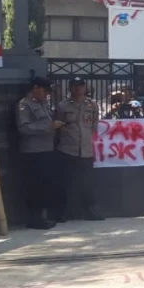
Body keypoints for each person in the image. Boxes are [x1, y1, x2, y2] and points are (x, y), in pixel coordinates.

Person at [53, 77, 104, 222]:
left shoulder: (92, 105)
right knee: (65, 183)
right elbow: (58, 126)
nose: (78, 89)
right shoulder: (62, 106)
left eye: (80, 86)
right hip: (67, 149)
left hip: (86, 150)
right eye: (75, 86)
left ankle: (90, 210)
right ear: (70, 88)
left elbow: (94, 126)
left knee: (87, 182)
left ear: (85, 87)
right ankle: (61, 212)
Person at [17, 77, 65, 230]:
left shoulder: (43, 104)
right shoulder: (24, 105)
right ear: (35, 88)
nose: (46, 94)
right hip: (33, 151)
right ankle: (34, 218)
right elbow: (24, 128)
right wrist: (49, 127)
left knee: (45, 185)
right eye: (44, 90)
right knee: (35, 186)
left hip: (46, 149)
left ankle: (42, 216)